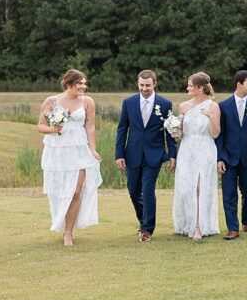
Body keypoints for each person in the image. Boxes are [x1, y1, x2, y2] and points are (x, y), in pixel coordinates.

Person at [38, 69, 102, 246]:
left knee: (76, 192)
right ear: (68, 84)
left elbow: (90, 127)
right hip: (58, 150)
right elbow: (41, 126)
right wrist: (54, 129)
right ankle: (61, 222)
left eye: (84, 83)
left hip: (79, 149)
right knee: (60, 191)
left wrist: (93, 149)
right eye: (80, 83)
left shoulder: (88, 101)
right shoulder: (52, 101)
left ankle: (68, 232)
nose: (83, 86)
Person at [115, 69, 176, 243]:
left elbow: (169, 131)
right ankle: (144, 221)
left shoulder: (165, 104)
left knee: (147, 189)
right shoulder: (129, 103)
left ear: (154, 84)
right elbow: (122, 129)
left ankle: (147, 229)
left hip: (154, 154)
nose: (144, 88)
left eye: (148, 85)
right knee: (134, 191)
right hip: (132, 153)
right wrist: (119, 154)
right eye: (141, 85)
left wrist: (173, 154)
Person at [216, 70, 247, 240]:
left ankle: (246, 221)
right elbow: (220, 135)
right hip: (228, 157)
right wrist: (219, 158)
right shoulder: (222, 106)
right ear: (239, 84)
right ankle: (232, 228)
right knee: (229, 193)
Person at [173, 72, 222, 240]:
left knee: (201, 187)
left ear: (199, 88)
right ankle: (187, 223)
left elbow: (216, 134)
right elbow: (181, 132)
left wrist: (210, 117)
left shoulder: (213, 106)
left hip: (205, 148)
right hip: (187, 149)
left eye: (190, 85)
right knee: (187, 187)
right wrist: (175, 130)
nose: (187, 88)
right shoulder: (183, 106)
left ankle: (199, 226)